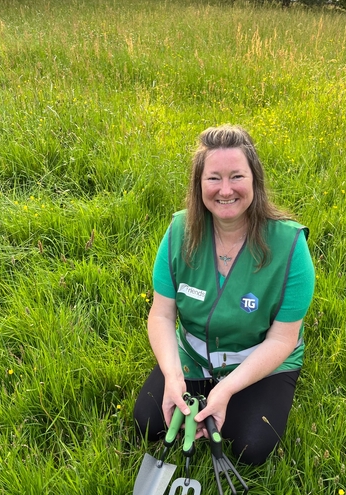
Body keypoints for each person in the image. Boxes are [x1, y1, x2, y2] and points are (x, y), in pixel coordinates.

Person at [134, 125, 315, 465]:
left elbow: (282, 338)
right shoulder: (178, 232)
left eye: (237, 177)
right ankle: (197, 394)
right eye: (213, 178)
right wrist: (173, 379)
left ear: (254, 180)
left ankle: (217, 398)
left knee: (252, 446)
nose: (226, 190)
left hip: (258, 359)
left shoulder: (290, 246)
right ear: (199, 184)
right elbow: (161, 315)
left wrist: (226, 390)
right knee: (148, 422)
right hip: (194, 355)